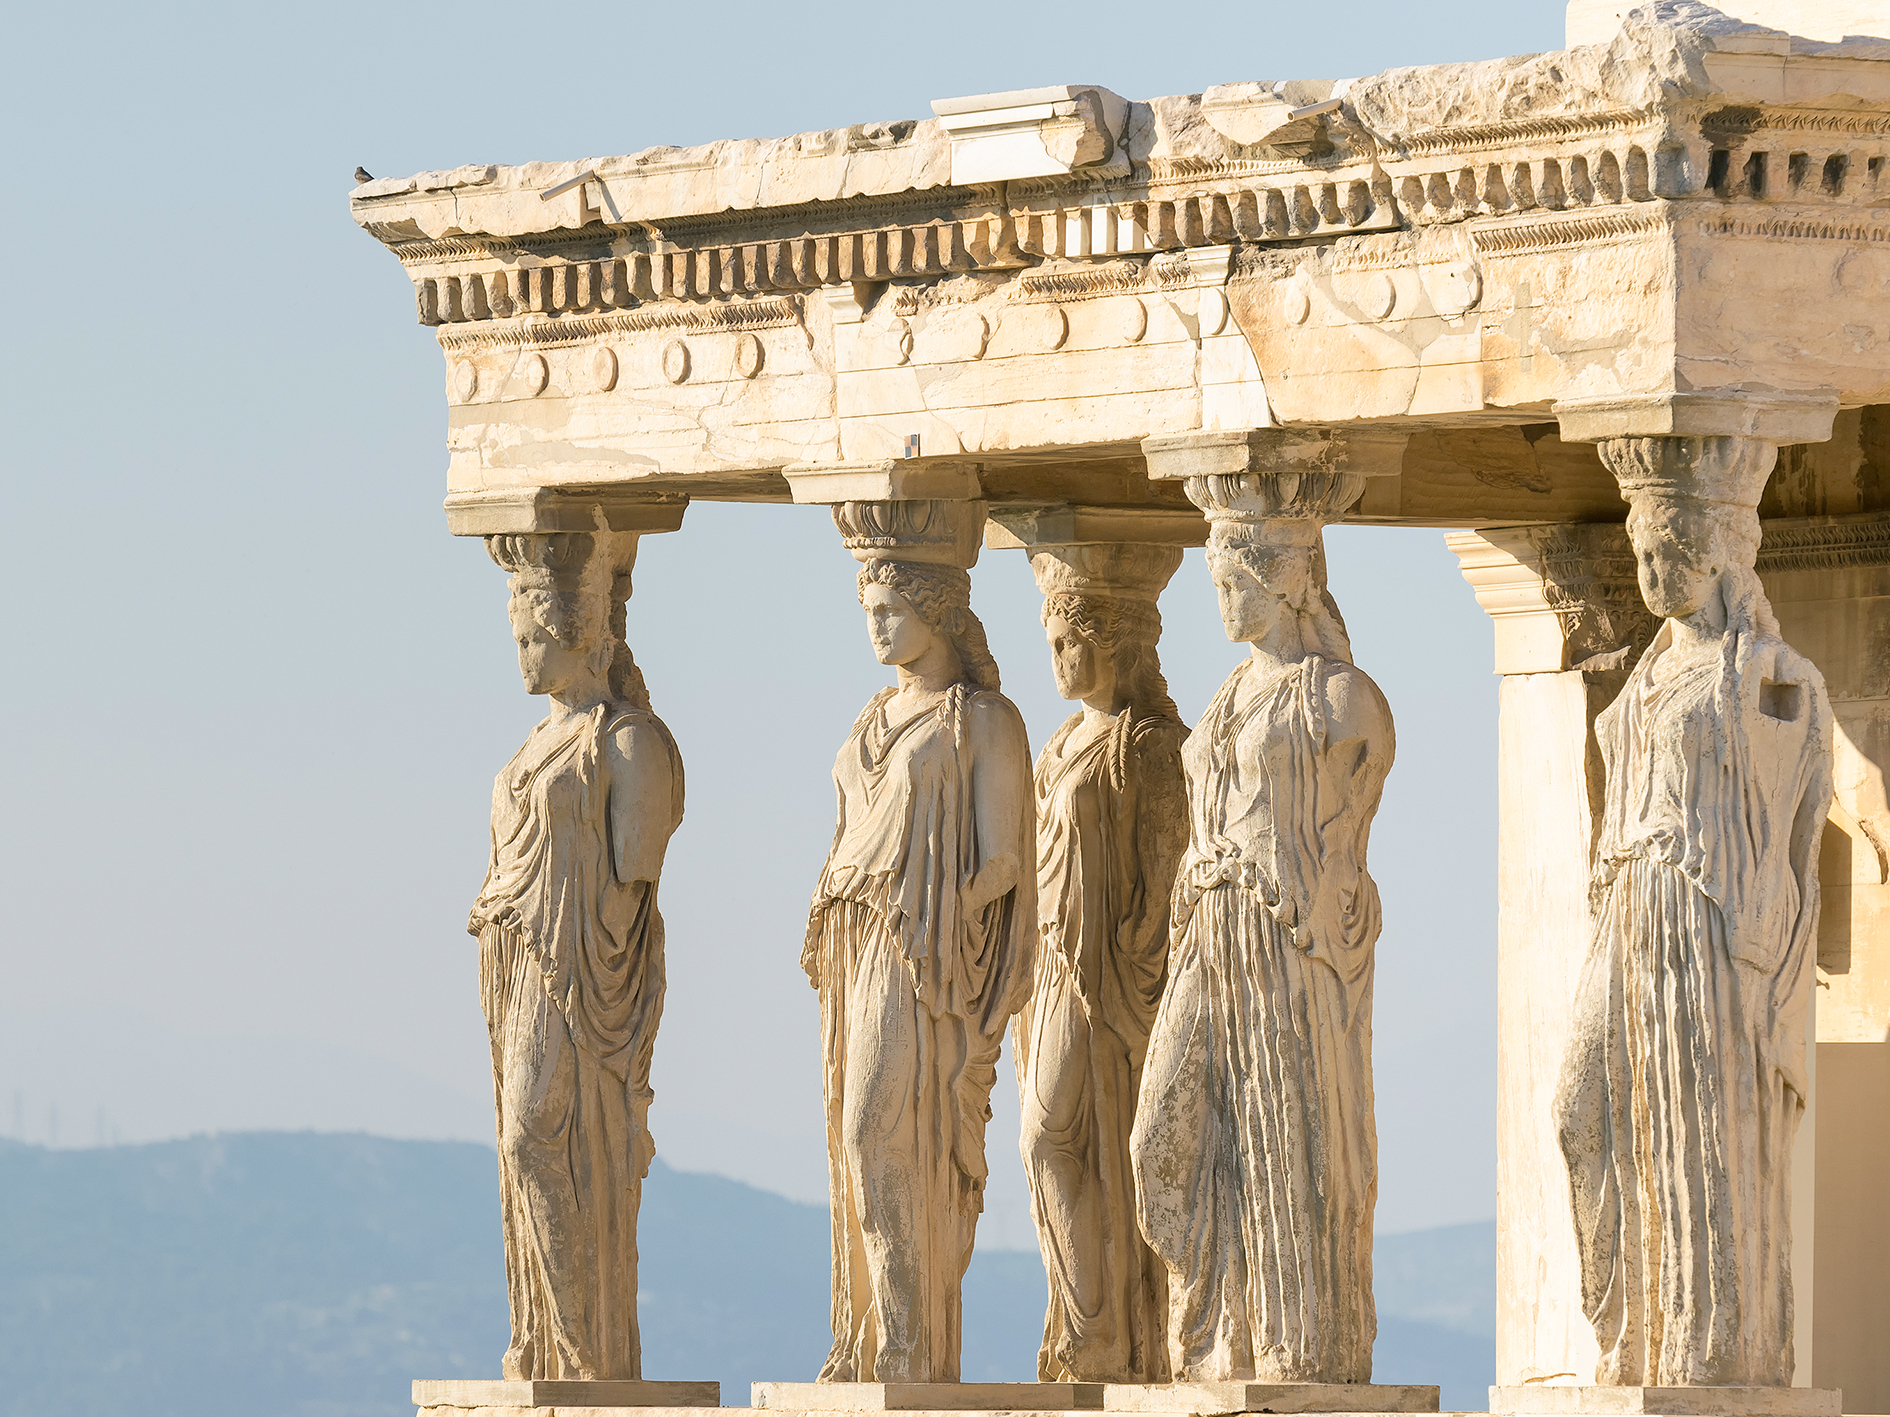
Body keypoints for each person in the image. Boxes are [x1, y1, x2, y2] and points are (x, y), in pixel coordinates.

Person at [1555, 461, 1832, 1385]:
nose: (1647, 569)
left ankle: (1706, 1347)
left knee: (1700, 1127)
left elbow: (1794, 811)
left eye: (1666, 550)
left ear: (1716, 556)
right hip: (1629, 909)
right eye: (1639, 549)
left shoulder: (1763, 673)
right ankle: (1627, 1323)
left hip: (1706, 926)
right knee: (1583, 1110)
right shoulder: (1647, 672)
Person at [1132, 512, 1393, 1382]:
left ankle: (1286, 1338)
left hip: (1282, 938)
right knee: (1160, 1135)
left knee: (1283, 1132)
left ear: (1283, 582)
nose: (1221, 600)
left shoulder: (1341, 698)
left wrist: (1328, 902)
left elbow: (1352, 835)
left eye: (1232, 582)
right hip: (1208, 925)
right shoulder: (1226, 694)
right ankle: (1215, 1325)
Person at [805, 554, 1033, 1383]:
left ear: (937, 613)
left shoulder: (982, 720)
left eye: (892, 607)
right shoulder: (872, 715)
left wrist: (949, 916)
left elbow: (1004, 855)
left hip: (923, 949)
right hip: (854, 938)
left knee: (879, 1128)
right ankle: (870, 1343)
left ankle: (910, 1346)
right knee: (851, 1137)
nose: (876, 624)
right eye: (869, 608)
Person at [468, 530, 684, 1381]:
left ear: (576, 631)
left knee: (535, 1132)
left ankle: (585, 1343)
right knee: (518, 1142)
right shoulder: (528, 748)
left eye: (531, 636)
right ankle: (553, 1344)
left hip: (582, 970)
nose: (520, 655)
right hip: (517, 961)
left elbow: (636, 872)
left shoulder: (629, 742)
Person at [1017, 545, 1186, 1382]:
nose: (1056, 660)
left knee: (1060, 1138)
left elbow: (1165, 880)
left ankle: (1105, 1332)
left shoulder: (1150, 746)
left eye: (1067, 642)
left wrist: (1139, 971)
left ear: (1111, 639)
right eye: (1049, 643)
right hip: (1051, 971)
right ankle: (1087, 1325)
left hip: (1111, 983)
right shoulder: (1056, 746)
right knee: (1049, 1142)